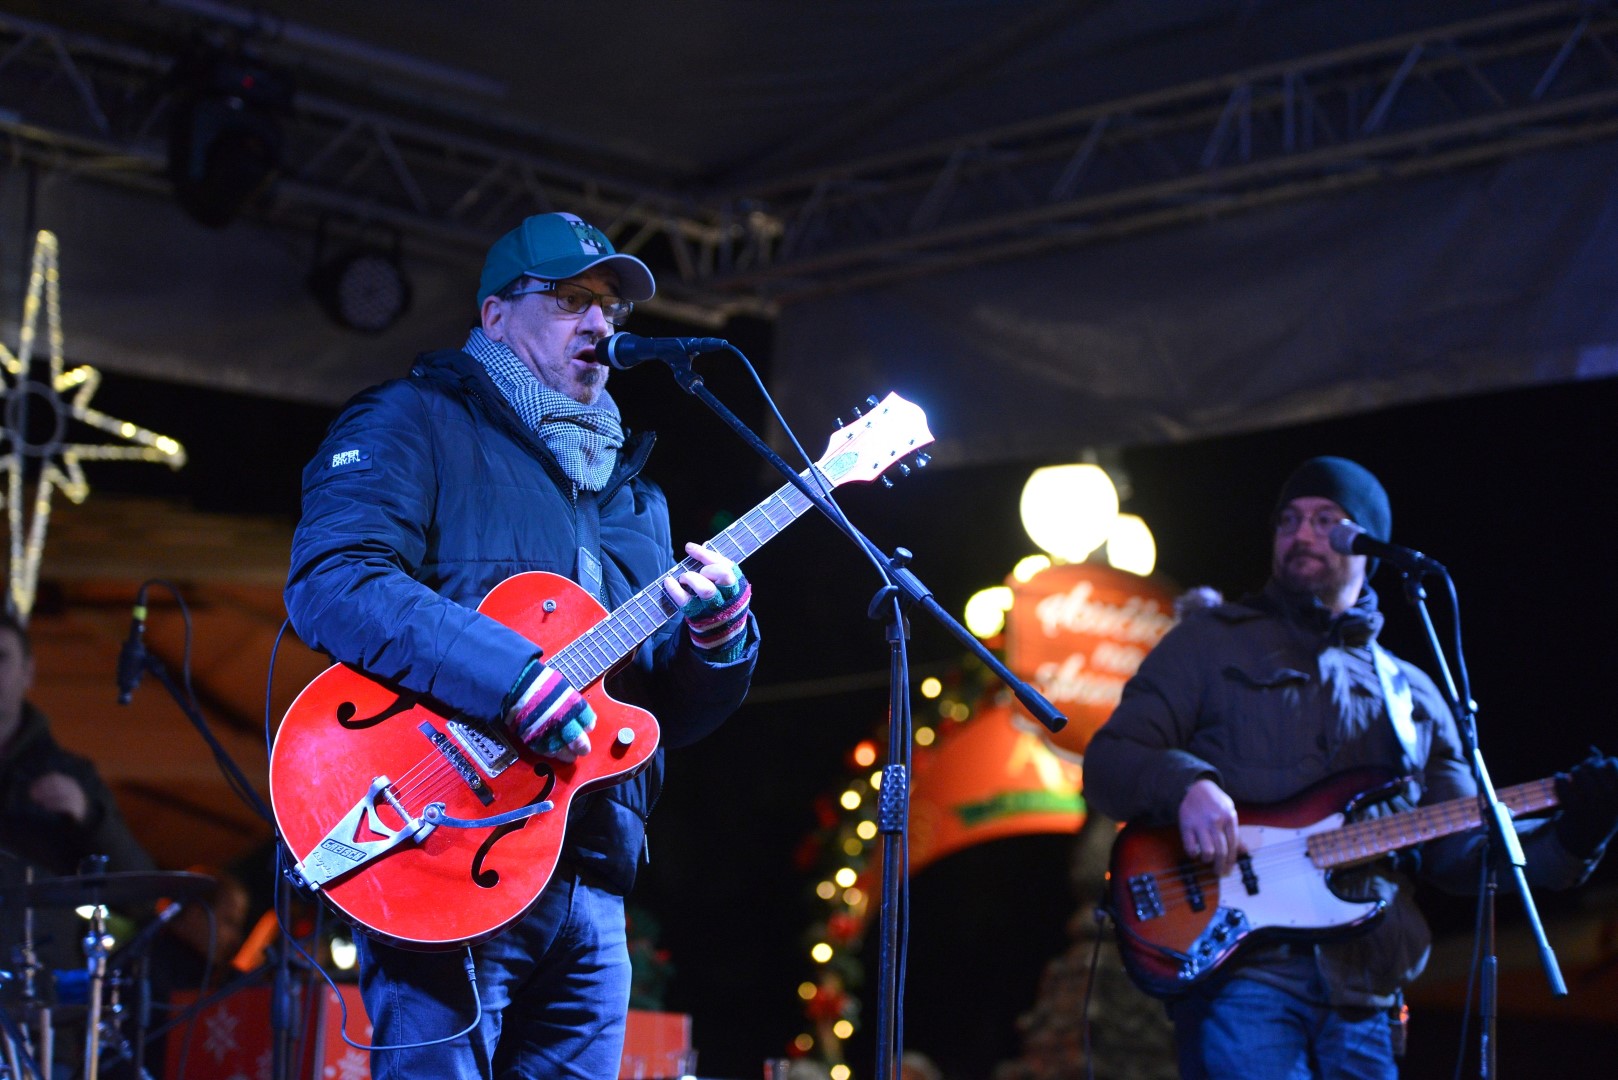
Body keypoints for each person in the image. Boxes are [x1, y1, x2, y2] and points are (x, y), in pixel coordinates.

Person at [284, 211, 759, 1079]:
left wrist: (718, 639)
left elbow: (658, 715)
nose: (599, 324)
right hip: (445, 838)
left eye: (611, 307)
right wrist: (511, 678)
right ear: (496, 315)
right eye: (572, 300)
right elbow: (334, 578)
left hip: (593, 876)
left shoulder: (634, 496)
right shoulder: (415, 421)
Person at [1083, 455, 1618, 1079]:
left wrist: (1577, 833)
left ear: (1368, 541)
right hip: (1243, 972)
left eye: (1326, 520)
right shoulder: (1208, 644)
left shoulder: (1413, 694)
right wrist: (1187, 785)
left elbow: (1460, 855)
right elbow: (1111, 760)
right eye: (1289, 520)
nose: (1302, 534)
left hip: (1367, 993)